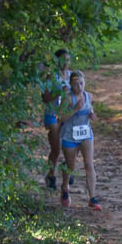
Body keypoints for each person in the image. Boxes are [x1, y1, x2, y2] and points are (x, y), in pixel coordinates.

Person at [58, 70, 104, 211]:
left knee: (89, 164)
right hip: (70, 135)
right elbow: (60, 118)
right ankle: (65, 187)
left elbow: (90, 109)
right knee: (70, 166)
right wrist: (75, 109)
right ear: (71, 84)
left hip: (85, 134)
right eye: (76, 83)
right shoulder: (67, 98)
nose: (79, 86)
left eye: (81, 83)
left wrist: (92, 114)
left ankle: (92, 197)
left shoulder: (88, 96)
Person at [40, 49, 72, 190]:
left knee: (69, 148)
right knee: (56, 149)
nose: (66, 63)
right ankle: (51, 176)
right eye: (63, 60)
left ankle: (68, 171)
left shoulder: (72, 76)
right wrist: (58, 93)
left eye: (68, 60)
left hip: (66, 115)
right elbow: (45, 98)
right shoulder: (51, 77)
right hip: (52, 114)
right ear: (56, 61)